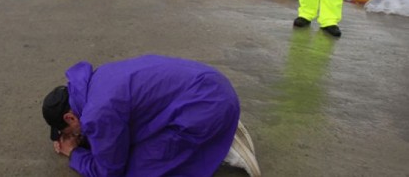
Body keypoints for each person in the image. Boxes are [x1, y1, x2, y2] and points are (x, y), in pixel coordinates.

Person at [41, 55, 261, 177]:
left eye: (68, 132)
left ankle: (225, 149)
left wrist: (75, 153)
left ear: (71, 118)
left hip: (210, 107)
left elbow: (109, 171)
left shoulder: (97, 113)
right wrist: (88, 139)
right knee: (129, 144)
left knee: (137, 170)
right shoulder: (96, 82)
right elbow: (114, 129)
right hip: (211, 86)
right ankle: (218, 135)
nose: (72, 135)